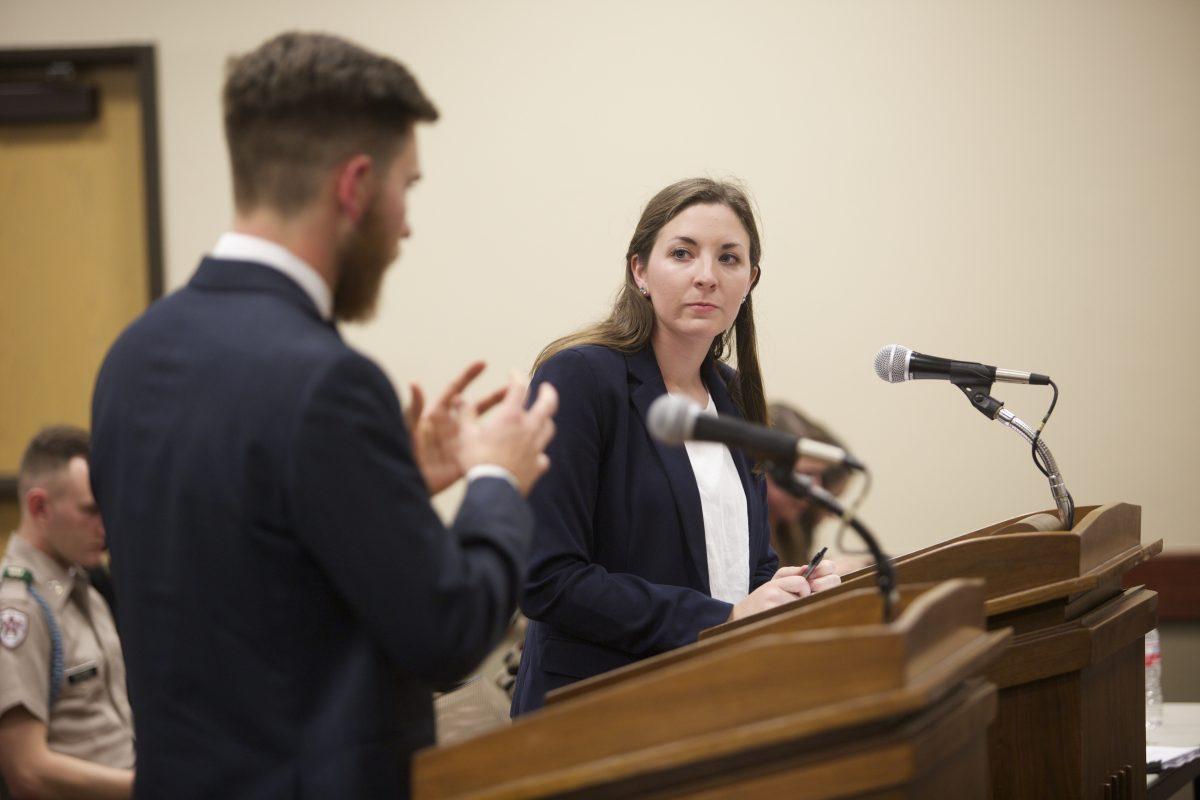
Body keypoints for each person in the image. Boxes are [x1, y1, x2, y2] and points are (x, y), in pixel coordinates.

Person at [89, 32, 557, 798]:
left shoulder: (133, 355)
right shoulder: (327, 382)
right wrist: (495, 483)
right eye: (408, 186)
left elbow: (246, 570)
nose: (406, 224)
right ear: (355, 186)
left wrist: (390, 484)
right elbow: (445, 633)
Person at [510, 178, 841, 715]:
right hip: (595, 713)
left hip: (714, 699)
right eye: (682, 253)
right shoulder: (582, 377)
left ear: (750, 280)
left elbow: (739, 569)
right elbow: (546, 578)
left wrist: (784, 588)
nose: (706, 277)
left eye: (729, 259)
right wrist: (722, 621)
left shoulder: (732, 396)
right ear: (640, 270)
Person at [0, 426, 134, 800]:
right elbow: (26, 771)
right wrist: (146, 787)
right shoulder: (17, 610)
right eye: (91, 511)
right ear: (40, 507)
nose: (105, 528)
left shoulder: (86, 591)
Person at [765, 402, 852, 566]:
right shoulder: (745, 535)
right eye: (806, 474)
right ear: (764, 467)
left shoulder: (790, 532)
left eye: (819, 476)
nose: (815, 488)